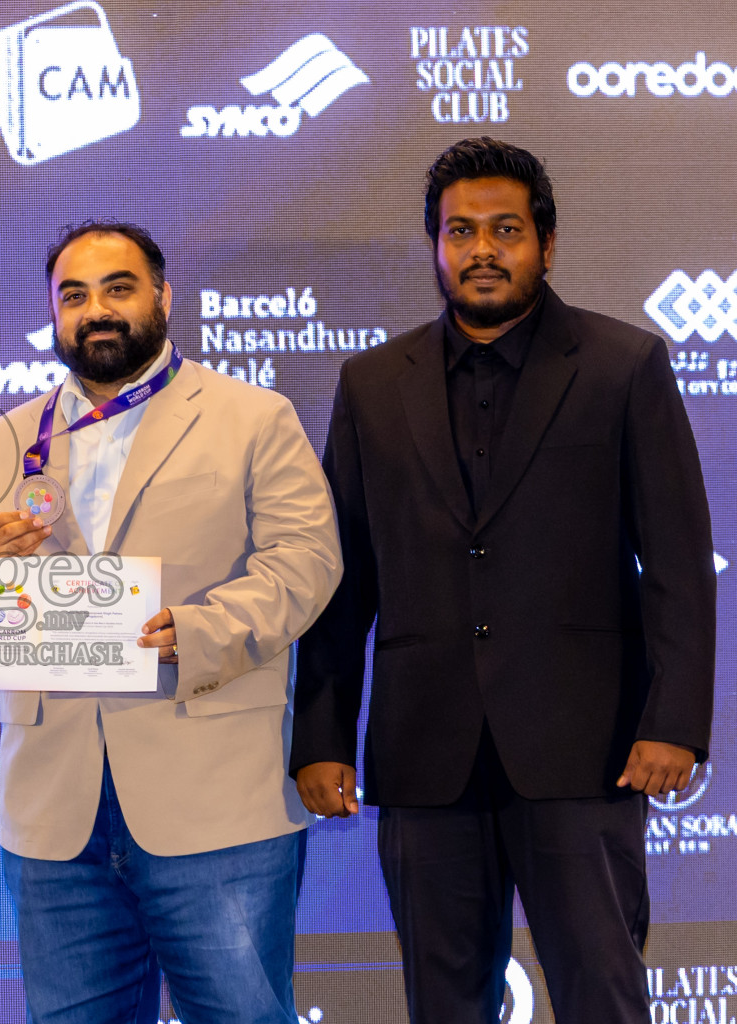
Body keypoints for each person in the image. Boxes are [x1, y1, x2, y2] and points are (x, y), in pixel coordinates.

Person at [292, 137, 716, 1023]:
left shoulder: (623, 365)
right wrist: (322, 734)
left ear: (546, 245)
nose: (482, 249)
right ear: (435, 246)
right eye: (461, 232)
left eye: (506, 230)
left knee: (602, 994)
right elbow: (343, 577)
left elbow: (680, 565)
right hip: (425, 753)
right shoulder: (372, 383)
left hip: (585, 752)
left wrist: (673, 722)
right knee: (444, 1005)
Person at [0, 221, 341, 1024]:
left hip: (215, 801)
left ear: (163, 297)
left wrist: (202, 631)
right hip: (55, 815)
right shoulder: (1, 442)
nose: (96, 311)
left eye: (118, 288)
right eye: (73, 296)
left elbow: (307, 560)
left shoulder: (253, 417)